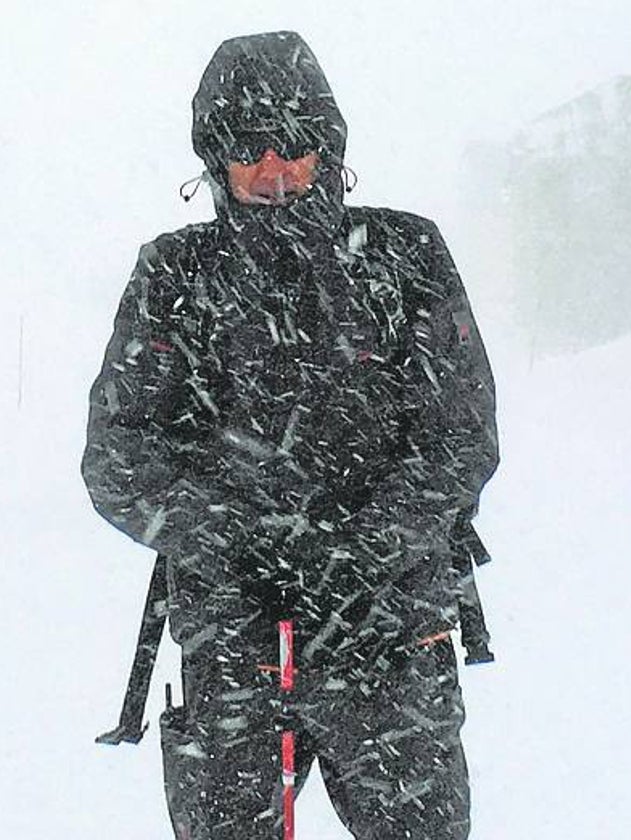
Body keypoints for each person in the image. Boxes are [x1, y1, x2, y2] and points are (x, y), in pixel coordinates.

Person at [80, 31, 498, 840]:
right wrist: (236, 540)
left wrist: (364, 548)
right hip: (232, 640)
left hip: (385, 631)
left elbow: (461, 434)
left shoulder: (405, 257)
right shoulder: (175, 276)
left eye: (295, 144)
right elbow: (117, 454)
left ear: (328, 148)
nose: (273, 168)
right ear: (214, 158)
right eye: (247, 147)